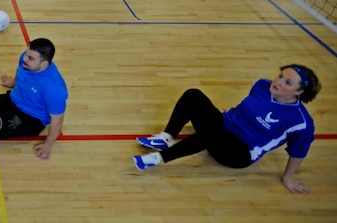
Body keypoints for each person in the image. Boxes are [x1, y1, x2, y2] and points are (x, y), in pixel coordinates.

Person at [133, 64, 321, 194]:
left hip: (239, 153)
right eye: (281, 75)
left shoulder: (300, 122)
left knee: (214, 135)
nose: (278, 81)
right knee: (193, 95)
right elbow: (249, 106)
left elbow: (299, 151)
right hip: (222, 125)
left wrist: (288, 178)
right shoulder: (262, 85)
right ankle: (167, 138)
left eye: (287, 82)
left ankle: (159, 158)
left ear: (299, 92)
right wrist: (231, 115)